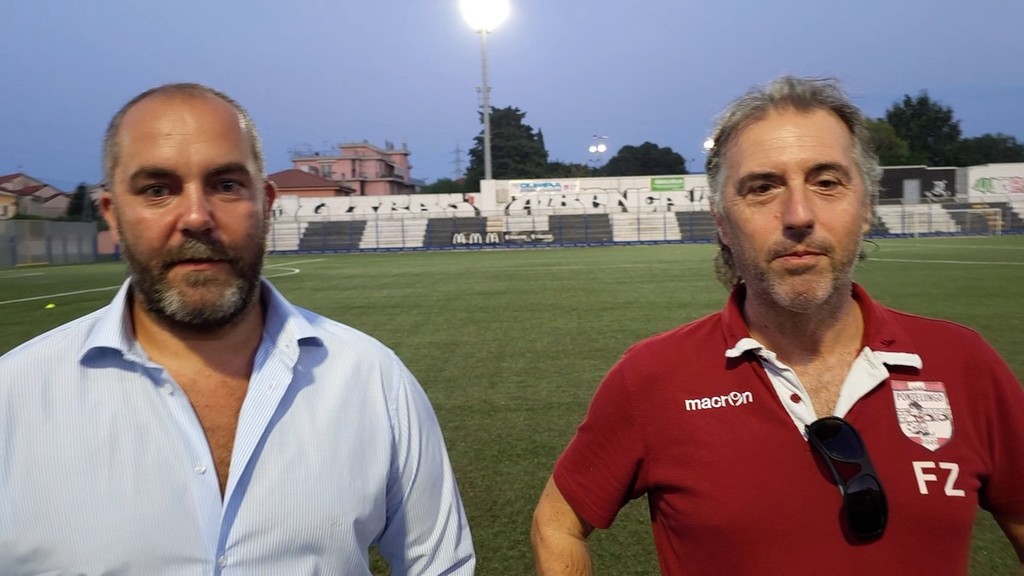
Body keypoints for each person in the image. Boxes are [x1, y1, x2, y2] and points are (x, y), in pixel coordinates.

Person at [531, 76, 1024, 574]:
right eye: (763, 188)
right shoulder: (652, 376)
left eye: (827, 182)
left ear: (867, 207)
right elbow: (557, 524)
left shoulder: (965, 364)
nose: (798, 215)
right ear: (722, 221)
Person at [0, 83, 475, 574]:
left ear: (266, 204)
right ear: (112, 216)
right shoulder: (13, 397)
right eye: (157, 190)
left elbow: (439, 565)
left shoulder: (372, 379)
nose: (196, 217)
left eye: (226, 185)